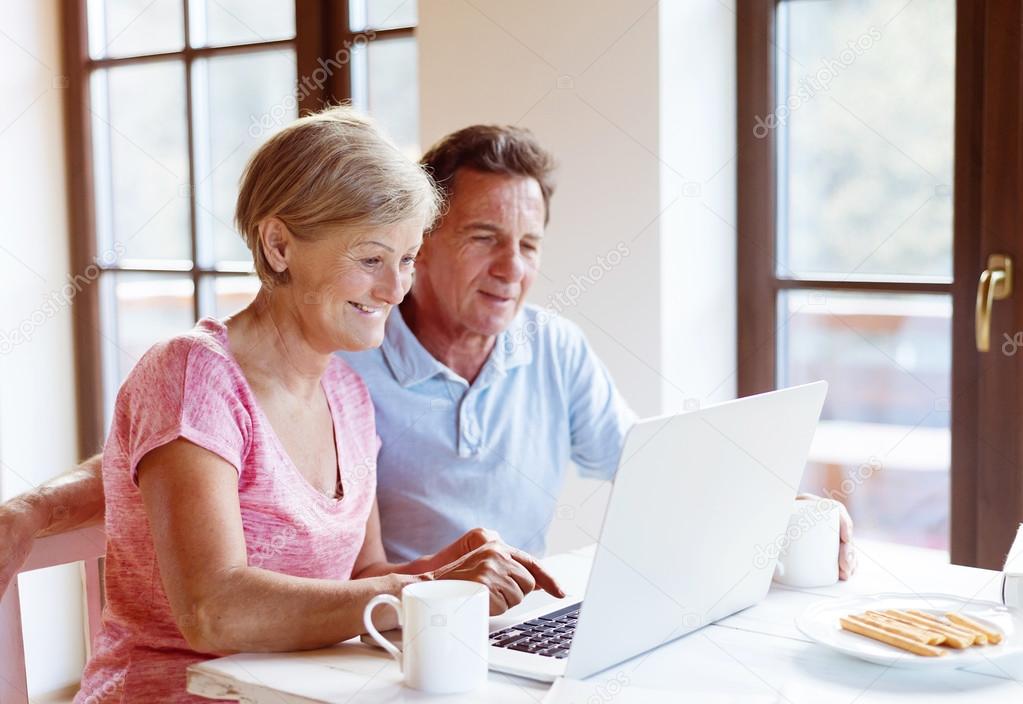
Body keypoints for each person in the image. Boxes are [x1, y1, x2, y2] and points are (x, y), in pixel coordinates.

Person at [0, 126, 855, 610]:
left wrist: (774, 497)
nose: (510, 267)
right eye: (482, 237)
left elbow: (648, 464)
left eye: (528, 245)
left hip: (392, 647)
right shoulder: (306, 354)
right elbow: (165, 449)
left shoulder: (358, 377)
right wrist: (34, 507)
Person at [60, 107, 563, 703]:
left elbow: (364, 580)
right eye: (371, 258)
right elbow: (212, 609)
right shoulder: (193, 375)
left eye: (406, 260)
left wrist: (449, 573)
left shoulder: (348, 395)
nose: (395, 288)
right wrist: (424, 585)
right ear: (279, 245)